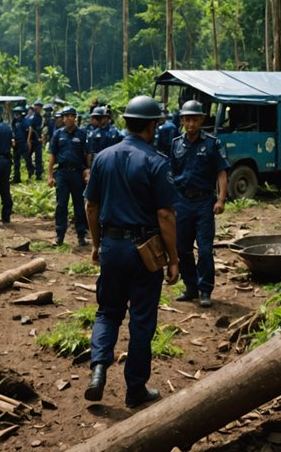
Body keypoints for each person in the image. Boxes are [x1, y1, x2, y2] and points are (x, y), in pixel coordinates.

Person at [83, 95, 180, 408]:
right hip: (144, 251)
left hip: (111, 246)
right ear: (152, 125)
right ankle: (135, 388)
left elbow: (91, 206)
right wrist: (174, 259)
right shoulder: (156, 161)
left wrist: (97, 244)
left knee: (107, 311)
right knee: (141, 320)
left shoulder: (102, 157)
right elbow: (166, 215)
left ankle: (99, 367)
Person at [170, 100, 230, 308]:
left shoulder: (212, 144)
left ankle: (205, 289)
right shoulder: (176, 143)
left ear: (202, 120)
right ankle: (191, 287)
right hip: (182, 202)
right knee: (182, 248)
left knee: (204, 249)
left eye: (195, 119)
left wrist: (221, 199)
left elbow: (221, 172)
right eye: (187, 119)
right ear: (182, 120)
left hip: (204, 202)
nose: (191, 123)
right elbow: (171, 174)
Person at [48, 106, 90, 247]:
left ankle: (81, 235)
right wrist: (49, 175)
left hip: (77, 173)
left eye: (71, 115)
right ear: (63, 118)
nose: (68, 118)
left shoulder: (82, 134)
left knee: (79, 205)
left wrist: (88, 169)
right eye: (66, 116)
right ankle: (60, 235)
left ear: (75, 117)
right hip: (62, 174)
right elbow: (52, 155)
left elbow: (88, 154)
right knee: (61, 205)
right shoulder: (58, 134)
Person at [12, 106, 31, 183]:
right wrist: (13, 138)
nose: (16, 115)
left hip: (23, 143)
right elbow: (12, 130)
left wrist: (28, 140)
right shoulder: (14, 121)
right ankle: (16, 178)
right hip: (16, 144)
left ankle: (30, 175)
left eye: (18, 114)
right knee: (16, 162)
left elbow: (30, 128)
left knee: (27, 160)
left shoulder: (24, 121)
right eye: (15, 113)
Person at [28, 99, 45, 180]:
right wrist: (28, 140)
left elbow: (41, 129)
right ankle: (30, 172)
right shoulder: (32, 117)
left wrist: (41, 137)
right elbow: (31, 129)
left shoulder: (41, 118)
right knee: (28, 157)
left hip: (38, 141)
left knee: (38, 157)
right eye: (36, 106)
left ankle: (38, 174)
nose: (37, 108)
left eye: (39, 106)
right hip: (32, 140)